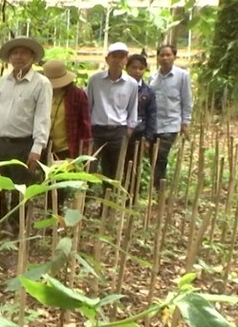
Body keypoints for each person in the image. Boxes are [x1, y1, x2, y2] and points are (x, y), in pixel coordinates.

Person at [0, 37, 52, 233]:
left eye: (23, 53)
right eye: (15, 53)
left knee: (22, 189)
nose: (18, 57)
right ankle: (2, 222)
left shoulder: (41, 84)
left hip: (24, 143)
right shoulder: (4, 81)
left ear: (32, 57)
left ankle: (18, 225)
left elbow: (42, 118)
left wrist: (38, 147)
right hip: (0, 141)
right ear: (9, 58)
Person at [86, 42, 139, 181]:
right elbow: (88, 104)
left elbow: (133, 107)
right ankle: (85, 199)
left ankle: (108, 200)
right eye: (114, 56)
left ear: (126, 60)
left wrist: (129, 129)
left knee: (114, 170)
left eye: (122, 57)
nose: (117, 60)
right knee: (90, 167)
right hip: (97, 130)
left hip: (118, 131)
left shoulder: (131, 83)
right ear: (107, 59)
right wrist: (87, 128)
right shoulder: (95, 80)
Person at [42, 59, 90, 209]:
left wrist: (85, 148)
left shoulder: (77, 95)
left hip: (65, 147)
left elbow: (85, 122)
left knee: (59, 184)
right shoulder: (41, 92)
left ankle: (54, 212)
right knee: (44, 182)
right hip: (43, 145)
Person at [149, 44, 192, 190]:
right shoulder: (153, 77)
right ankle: (155, 186)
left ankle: (159, 189)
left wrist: (185, 122)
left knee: (161, 154)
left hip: (171, 123)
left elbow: (187, 100)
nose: (165, 58)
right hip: (154, 124)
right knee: (152, 157)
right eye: (162, 55)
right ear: (158, 58)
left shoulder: (182, 76)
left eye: (168, 55)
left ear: (174, 57)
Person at [124, 53, 157, 193]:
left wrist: (148, 138)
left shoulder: (148, 91)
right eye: (133, 68)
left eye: (141, 68)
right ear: (127, 68)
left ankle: (132, 196)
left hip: (138, 135)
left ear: (145, 70)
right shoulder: (120, 86)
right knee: (118, 165)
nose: (137, 71)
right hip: (120, 133)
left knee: (134, 166)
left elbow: (152, 115)